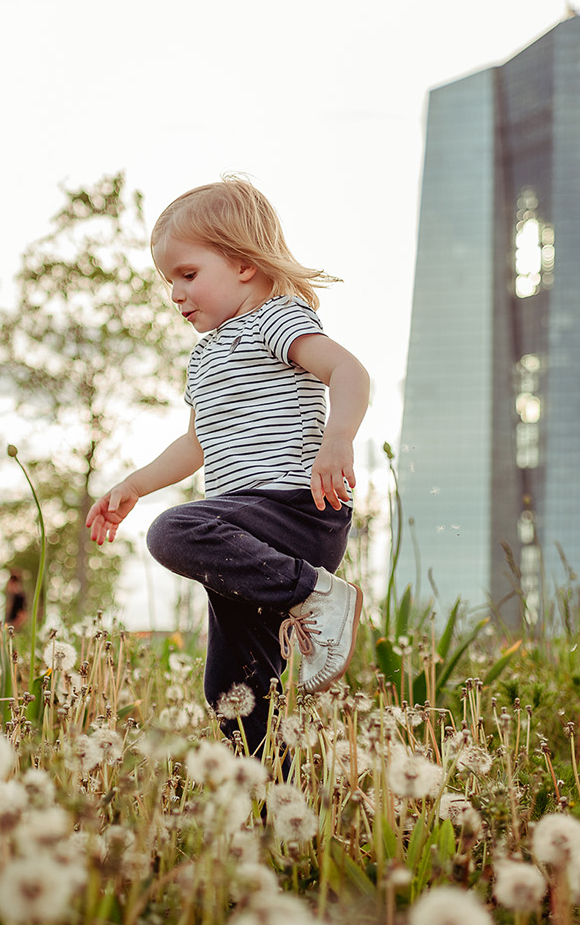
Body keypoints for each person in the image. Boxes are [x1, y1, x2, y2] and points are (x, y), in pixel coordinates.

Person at [85, 176, 370, 754]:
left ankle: (313, 593)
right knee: (232, 687)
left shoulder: (275, 321)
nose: (175, 294)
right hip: (245, 540)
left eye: (187, 275)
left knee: (176, 529)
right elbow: (197, 443)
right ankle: (267, 802)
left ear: (243, 263)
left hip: (293, 510)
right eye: (169, 282)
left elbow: (349, 372)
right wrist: (134, 485)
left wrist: (337, 438)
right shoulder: (203, 356)